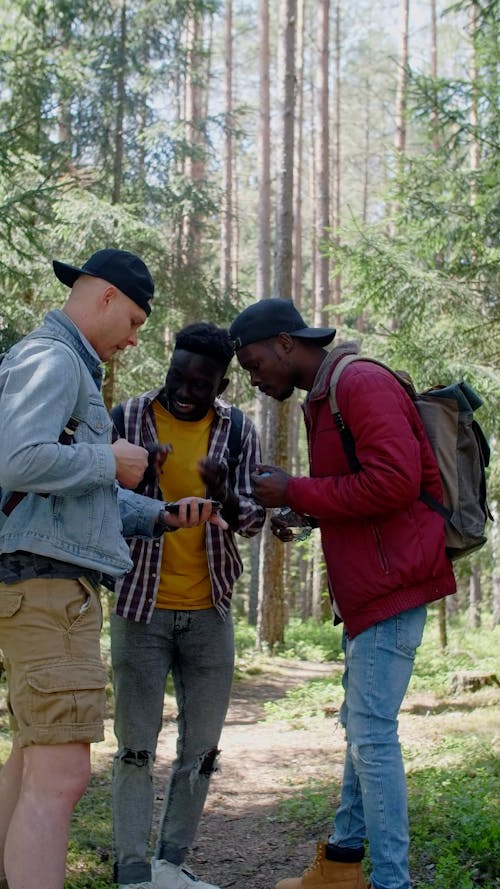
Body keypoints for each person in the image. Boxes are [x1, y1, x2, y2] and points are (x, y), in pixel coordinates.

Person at [0, 250, 225, 889]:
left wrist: (159, 515)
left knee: (30, 762)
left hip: (37, 584)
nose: (132, 338)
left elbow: (59, 492)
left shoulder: (56, 360)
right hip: (45, 590)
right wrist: (110, 461)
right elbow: (17, 460)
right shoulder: (55, 358)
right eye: (131, 320)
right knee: (62, 775)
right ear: (103, 299)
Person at [229, 298, 456, 889]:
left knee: (373, 736)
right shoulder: (325, 397)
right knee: (362, 727)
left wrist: (298, 491)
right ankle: (341, 866)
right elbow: (355, 489)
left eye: (254, 363)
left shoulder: (359, 383)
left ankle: (391, 883)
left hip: (394, 584)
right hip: (370, 587)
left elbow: (396, 482)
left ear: (285, 343)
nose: (254, 379)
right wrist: (299, 510)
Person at [109, 321, 265, 889]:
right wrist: (144, 480)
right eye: (178, 375)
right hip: (139, 606)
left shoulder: (238, 429)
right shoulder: (128, 417)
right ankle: (131, 874)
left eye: (201, 383)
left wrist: (223, 492)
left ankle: (169, 865)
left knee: (200, 751)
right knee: (133, 749)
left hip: (209, 611)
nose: (185, 389)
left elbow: (251, 520)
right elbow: (98, 502)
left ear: (221, 385)